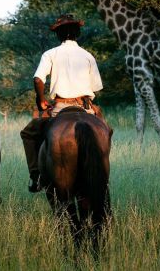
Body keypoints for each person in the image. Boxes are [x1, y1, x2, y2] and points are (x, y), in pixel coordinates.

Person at [20, 14, 103, 192]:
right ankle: (102, 174)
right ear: (77, 33)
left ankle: (36, 176)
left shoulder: (50, 54)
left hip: (59, 108)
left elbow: (37, 79)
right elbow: (96, 87)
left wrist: (41, 100)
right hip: (85, 107)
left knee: (28, 133)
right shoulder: (88, 56)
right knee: (105, 131)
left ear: (58, 35)